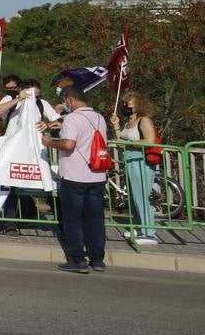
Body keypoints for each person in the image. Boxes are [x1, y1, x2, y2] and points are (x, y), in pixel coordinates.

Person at [42, 85, 108, 272]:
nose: (65, 105)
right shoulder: (99, 117)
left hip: (74, 175)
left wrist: (49, 142)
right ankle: (97, 259)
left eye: (65, 102)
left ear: (70, 100)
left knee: (73, 219)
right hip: (97, 174)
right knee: (95, 219)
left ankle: (78, 260)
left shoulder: (72, 118)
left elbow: (69, 144)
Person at [112, 92, 160, 246]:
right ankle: (140, 228)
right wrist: (116, 126)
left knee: (141, 196)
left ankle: (149, 233)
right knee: (133, 197)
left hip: (141, 160)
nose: (127, 106)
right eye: (125, 103)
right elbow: (120, 143)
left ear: (139, 104)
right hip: (129, 159)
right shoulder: (127, 122)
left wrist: (130, 143)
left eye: (130, 103)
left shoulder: (144, 120)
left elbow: (150, 140)